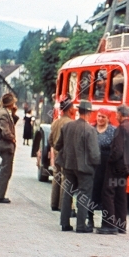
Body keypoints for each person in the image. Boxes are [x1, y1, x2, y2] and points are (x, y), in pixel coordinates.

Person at [55, 100, 101, 233]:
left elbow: (58, 145)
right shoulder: (90, 130)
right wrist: (96, 164)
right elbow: (94, 153)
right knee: (84, 195)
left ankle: (65, 223)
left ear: (78, 111)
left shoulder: (67, 126)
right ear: (89, 113)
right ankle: (81, 226)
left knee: (67, 193)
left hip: (68, 165)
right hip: (85, 169)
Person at [99, 105, 129, 234]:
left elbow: (117, 150)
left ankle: (109, 225)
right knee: (121, 196)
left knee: (108, 193)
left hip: (116, 166)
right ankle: (121, 225)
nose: (115, 116)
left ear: (121, 114)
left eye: (116, 114)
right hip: (127, 168)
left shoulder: (121, 129)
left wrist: (110, 160)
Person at [89, 108, 116, 228]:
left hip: (106, 167)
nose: (100, 119)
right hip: (92, 166)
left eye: (103, 117)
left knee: (104, 194)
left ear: (108, 119)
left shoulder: (113, 131)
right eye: (99, 116)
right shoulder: (91, 129)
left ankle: (104, 221)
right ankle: (90, 219)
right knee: (92, 193)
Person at [49, 97, 76, 211]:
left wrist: (55, 148)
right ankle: (63, 205)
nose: (74, 110)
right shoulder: (71, 123)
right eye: (73, 108)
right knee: (65, 179)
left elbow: (50, 140)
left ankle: (54, 203)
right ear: (70, 110)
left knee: (56, 176)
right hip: (66, 154)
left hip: (56, 152)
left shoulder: (55, 122)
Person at [0, 93, 18, 204]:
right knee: (6, 170)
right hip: (5, 145)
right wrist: (12, 139)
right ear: (10, 103)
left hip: (4, 145)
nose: (15, 104)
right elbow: (5, 131)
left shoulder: (2, 111)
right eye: (14, 102)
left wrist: (14, 113)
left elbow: (11, 124)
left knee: (5, 169)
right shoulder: (3, 114)